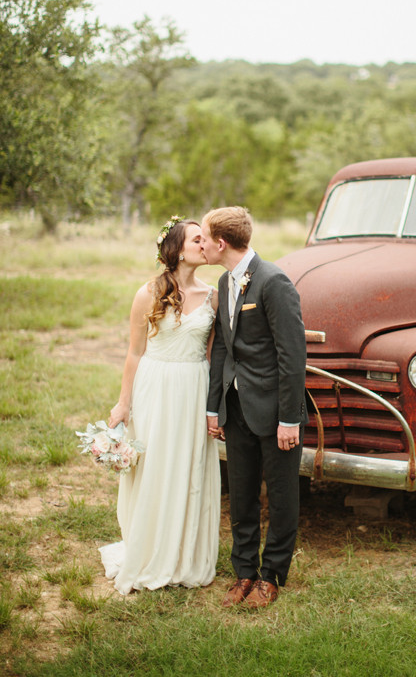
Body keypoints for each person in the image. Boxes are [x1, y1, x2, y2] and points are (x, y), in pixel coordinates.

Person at [99, 217, 221, 595]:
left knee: (189, 465)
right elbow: (134, 353)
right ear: (177, 250)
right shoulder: (148, 293)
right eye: (197, 239)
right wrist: (123, 404)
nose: (205, 244)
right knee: (155, 466)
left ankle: (184, 554)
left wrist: (214, 406)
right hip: (155, 386)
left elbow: (212, 355)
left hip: (194, 386)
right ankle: (149, 548)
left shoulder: (214, 296)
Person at [200, 206, 307, 608]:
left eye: (204, 238)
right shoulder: (224, 282)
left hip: (276, 412)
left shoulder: (274, 282)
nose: (201, 245)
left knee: (281, 498)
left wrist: (289, 418)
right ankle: (244, 572)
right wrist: (214, 407)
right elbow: (223, 350)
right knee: (242, 496)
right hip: (236, 409)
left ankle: (272, 576)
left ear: (221, 243)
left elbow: (292, 356)